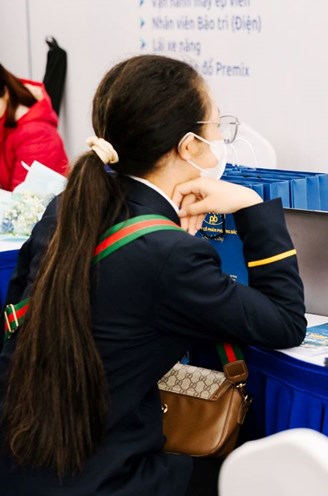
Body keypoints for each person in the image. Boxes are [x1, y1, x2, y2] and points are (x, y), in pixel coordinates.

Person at [0, 55, 306, 495]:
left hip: (22, 463)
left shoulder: (65, 209)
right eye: (217, 125)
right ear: (187, 146)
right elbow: (285, 322)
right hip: (106, 478)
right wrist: (251, 207)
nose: (220, 138)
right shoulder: (170, 254)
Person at [0, 63, 68, 190]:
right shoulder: (4, 120)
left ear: (5, 93)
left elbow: (25, 203)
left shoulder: (36, 135)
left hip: (41, 206)